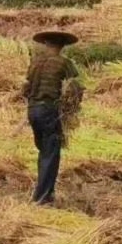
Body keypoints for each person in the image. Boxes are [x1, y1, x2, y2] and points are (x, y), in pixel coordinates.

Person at [23, 30, 80, 205]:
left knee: (43, 151)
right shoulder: (64, 63)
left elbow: (25, 88)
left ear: (46, 44)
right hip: (49, 111)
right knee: (51, 152)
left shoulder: (35, 63)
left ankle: (44, 191)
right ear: (62, 46)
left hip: (33, 110)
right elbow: (74, 87)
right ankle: (42, 198)